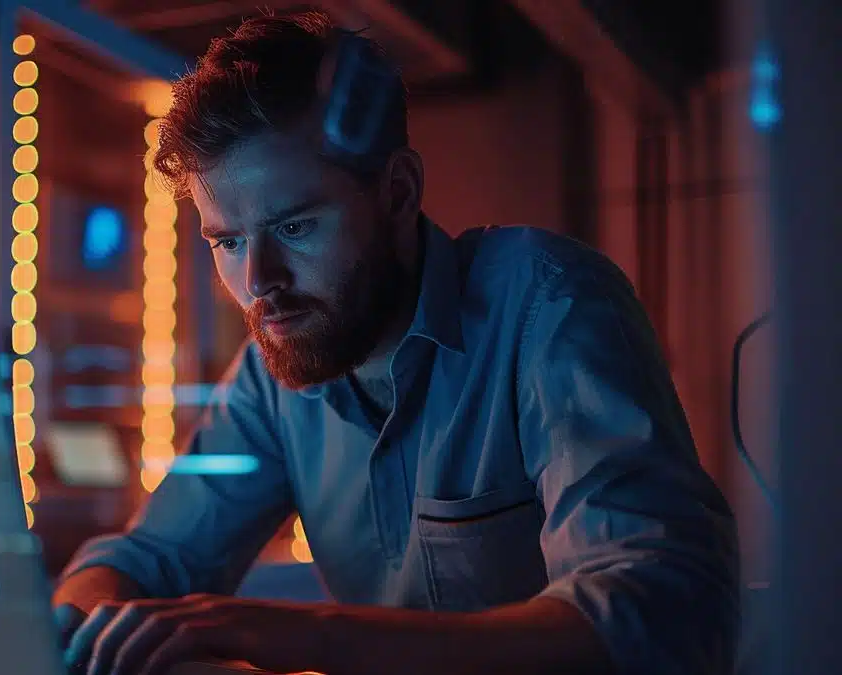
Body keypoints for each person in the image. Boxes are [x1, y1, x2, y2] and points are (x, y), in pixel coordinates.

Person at [53, 11, 739, 675]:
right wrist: (102, 628)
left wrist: (307, 636)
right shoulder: (273, 380)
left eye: (294, 228)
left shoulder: (547, 305)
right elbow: (134, 564)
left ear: (399, 191)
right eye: (227, 242)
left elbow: (659, 611)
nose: (259, 282)